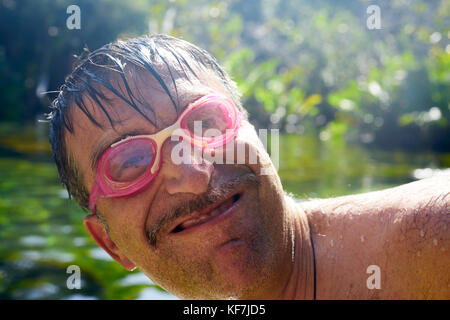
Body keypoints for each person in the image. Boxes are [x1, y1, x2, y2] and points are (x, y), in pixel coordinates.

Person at [48, 34, 449, 299]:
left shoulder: (433, 244)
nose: (192, 175)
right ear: (110, 244)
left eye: (206, 123)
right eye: (129, 161)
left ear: (255, 133)